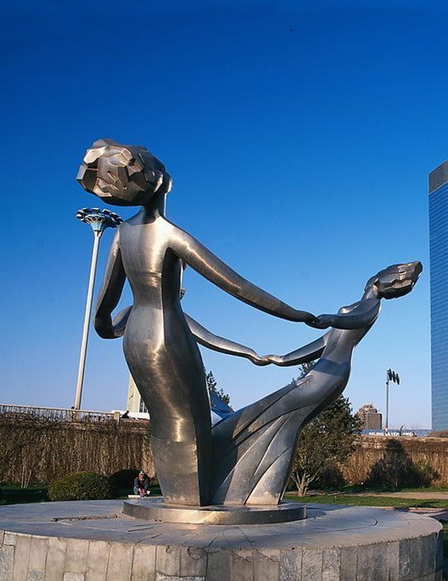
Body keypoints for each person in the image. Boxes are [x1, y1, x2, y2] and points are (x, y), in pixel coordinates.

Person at [80, 139, 325, 506]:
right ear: (163, 184)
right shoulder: (169, 234)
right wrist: (298, 315)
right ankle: (193, 501)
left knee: (164, 419)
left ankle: (179, 497)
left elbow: (103, 308)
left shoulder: (121, 235)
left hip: (136, 339)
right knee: (189, 421)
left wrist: (116, 328)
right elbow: (237, 286)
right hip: (168, 335)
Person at [208, 262, 423, 505]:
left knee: (275, 416)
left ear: (379, 281)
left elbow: (356, 320)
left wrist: (329, 318)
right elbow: (322, 343)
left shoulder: (371, 306)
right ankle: (258, 489)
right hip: (323, 371)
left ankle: (259, 487)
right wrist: (282, 359)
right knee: (281, 422)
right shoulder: (357, 307)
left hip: (330, 374)